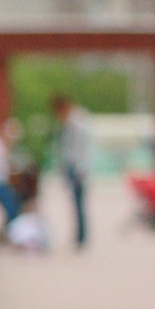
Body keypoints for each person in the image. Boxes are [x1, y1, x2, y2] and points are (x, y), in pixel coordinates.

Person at [52, 92, 92, 248]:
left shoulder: (78, 122)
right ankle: (78, 236)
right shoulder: (66, 123)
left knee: (79, 203)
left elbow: (83, 148)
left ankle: (81, 237)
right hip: (71, 166)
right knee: (75, 204)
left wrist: (82, 169)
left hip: (77, 167)